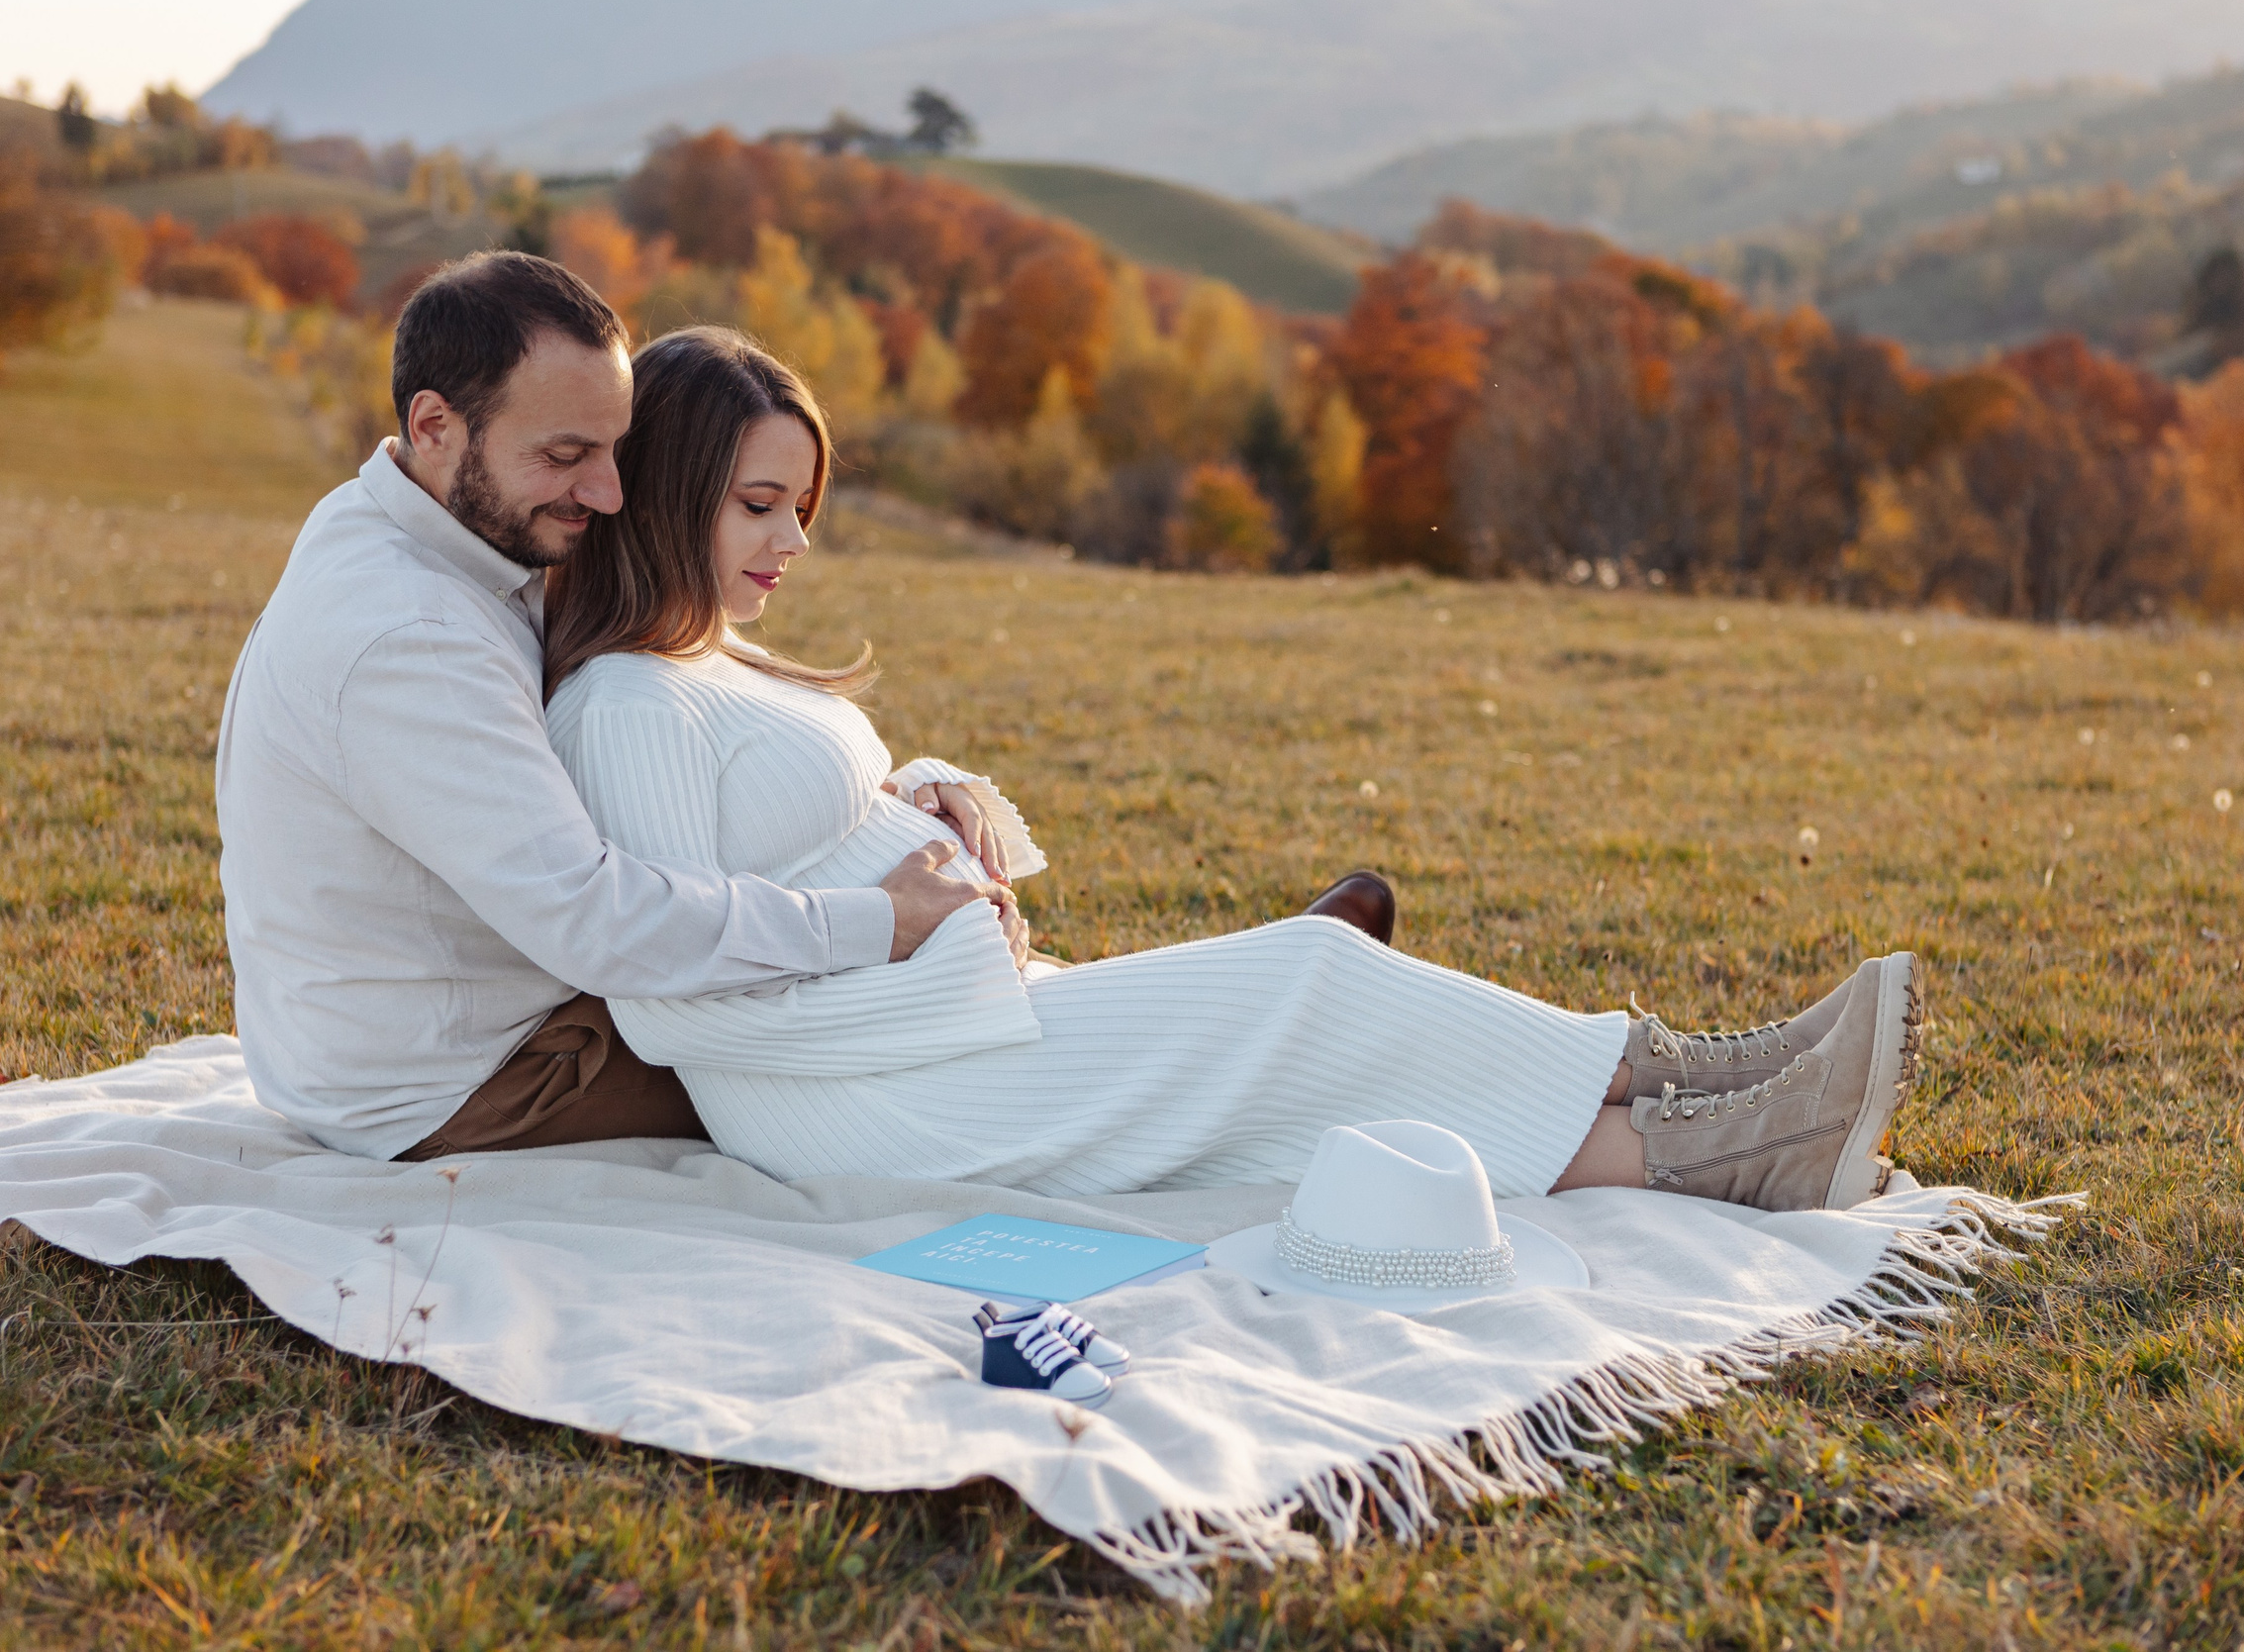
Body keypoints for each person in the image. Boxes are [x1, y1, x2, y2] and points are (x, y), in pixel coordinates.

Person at [541, 326, 1924, 1209]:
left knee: (1304, 1055)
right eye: (760, 507)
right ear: (666, 494)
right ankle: (1706, 1109)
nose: (794, 542)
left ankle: (1724, 1116)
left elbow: (802, 823)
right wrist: (929, 957)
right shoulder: (622, 704)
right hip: (873, 1103)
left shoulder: (714, 662)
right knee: (1307, 982)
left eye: (805, 508)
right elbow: (678, 1013)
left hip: (954, 1033)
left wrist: (926, 796)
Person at [215, 251, 1391, 1166]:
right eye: (568, 452)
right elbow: (596, 919)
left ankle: (1246, 994)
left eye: (619, 449)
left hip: (506, 999)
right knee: (894, 1045)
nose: (612, 492)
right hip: (471, 1074)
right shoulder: (405, 634)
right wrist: (876, 917)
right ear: (433, 426)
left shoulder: (443, 521)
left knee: (906, 987)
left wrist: (907, 813)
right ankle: (1254, 1013)